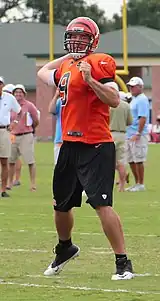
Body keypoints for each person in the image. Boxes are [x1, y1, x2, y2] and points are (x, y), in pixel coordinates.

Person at [38, 17, 134, 280]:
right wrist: (66, 58)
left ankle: (123, 262)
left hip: (96, 144)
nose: (77, 41)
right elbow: (42, 72)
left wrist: (91, 80)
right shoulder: (68, 65)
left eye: (82, 37)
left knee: (101, 204)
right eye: (73, 36)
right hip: (69, 144)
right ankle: (65, 248)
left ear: (93, 40)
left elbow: (114, 99)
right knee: (60, 206)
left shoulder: (99, 62)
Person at [8, 84, 39, 191]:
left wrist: (31, 128)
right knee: (11, 160)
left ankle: (33, 184)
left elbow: (36, 119)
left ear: (24, 94)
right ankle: (9, 183)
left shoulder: (29, 105)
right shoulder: (11, 105)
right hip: (13, 135)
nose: (18, 94)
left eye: (20, 92)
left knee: (30, 161)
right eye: (16, 92)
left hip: (26, 135)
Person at [126, 77, 149, 192]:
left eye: (134, 86)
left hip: (137, 133)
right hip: (129, 133)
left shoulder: (142, 99)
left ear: (140, 87)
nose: (131, 88)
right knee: (131, 159)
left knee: (138, 159)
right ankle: (136, 183)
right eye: (130, 86)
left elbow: (143, 117)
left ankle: (141, 183)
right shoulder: (134, 99)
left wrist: (138, 133)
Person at [0, 77, 21, 197]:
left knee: (4, 160)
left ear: (3, 85)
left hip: (4, 130)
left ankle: (3, 189)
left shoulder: (9, 98)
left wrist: (15, 123)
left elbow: (20, 111)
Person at [110, 91, 132, 191]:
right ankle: (122, 186)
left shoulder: (109, 105)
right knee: (121, 161)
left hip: (110, 134)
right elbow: (129, 122)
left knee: (108, 161)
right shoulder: (127, 106)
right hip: (122, 135)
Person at [48, 90, 63, 165]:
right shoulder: (60, 101)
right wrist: (56, 95)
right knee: (58, 167)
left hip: (74, 140)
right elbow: (51, 110)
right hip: (60, 140)